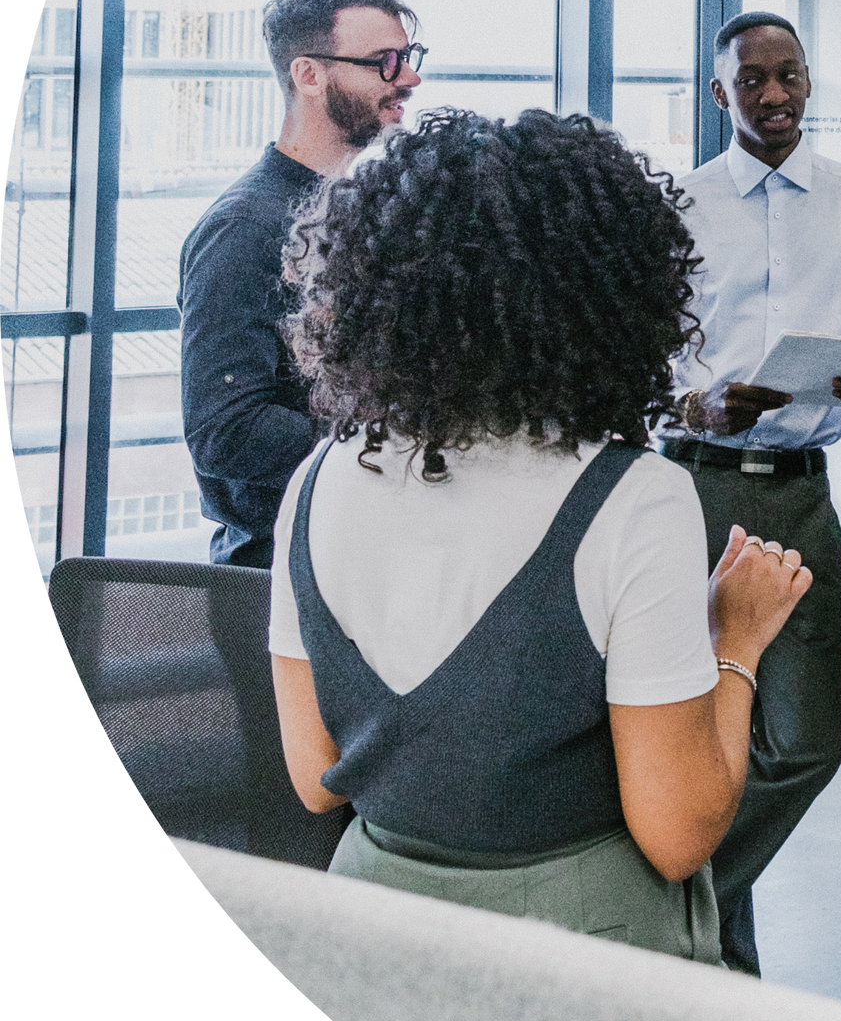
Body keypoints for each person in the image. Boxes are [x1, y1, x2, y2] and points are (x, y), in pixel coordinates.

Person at [265, 109, 812, 963]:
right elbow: (679, 832)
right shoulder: (634, 498)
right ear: (609, 296)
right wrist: (733, 642)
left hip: (362, 947)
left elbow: (314, 777)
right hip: (574, 968)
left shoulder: (315, 482)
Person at [665, 10, 841, 975]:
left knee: (805, 746)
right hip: (693, 498)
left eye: (790, 76)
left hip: (801, 499)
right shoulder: (681, 205)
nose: (775, 95)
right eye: (752, 81)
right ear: (720, 95)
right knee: (696, 737)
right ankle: (721, 967)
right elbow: (639, 357)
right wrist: (696, 404)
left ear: (811, 84)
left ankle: (674, 910)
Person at [179, 0, 425, 569]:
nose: (410, 77)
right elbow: (227, 431)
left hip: (358, 555)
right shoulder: (245, 227)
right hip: (279, 574)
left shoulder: (364, 206)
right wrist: (401, 445)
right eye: (385, 61)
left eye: (410, 56)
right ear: (308, 75)